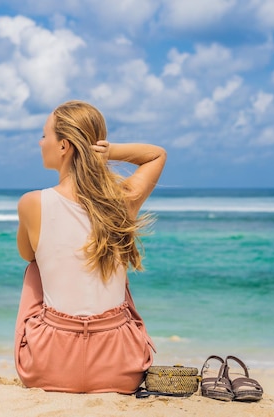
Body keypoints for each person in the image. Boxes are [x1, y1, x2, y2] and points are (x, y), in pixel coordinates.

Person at [14, 100, 166, 394]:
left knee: (35, 267)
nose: (40, 141)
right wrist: (111, 153)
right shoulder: (123, 200)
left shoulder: (32, 203)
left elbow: (27, 255)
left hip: (48, 364)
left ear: (64, 146)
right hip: (120, 367)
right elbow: (157, 155)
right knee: (108, 252)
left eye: (45, 135)